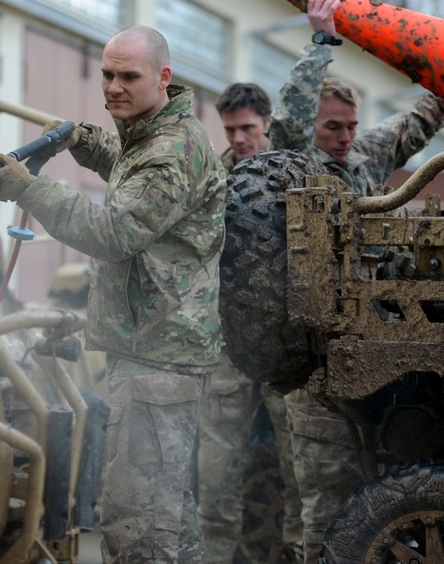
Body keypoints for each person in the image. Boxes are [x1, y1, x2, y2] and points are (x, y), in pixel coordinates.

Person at [0, 25, 227, 563]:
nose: (114, 87)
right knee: (169, 516)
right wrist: (85, 143)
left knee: (137, 522)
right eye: (108, 75)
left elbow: (114, 233)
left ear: (164, 78)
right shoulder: (154, 134)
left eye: (129, 77)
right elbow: (131, 174)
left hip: (159, 357)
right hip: (155, 348)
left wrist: (29, 189)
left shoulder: (170, 150)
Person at [269, 0, 444, 563]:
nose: (345, 137)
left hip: (369, 353)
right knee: (323, 502)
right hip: (316, 365)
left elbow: (420, 121)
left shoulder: (361, 161)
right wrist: (322, 41)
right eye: (333, 127)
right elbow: (287, 119)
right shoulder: (295, 161)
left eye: (350, 126)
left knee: (367, 492)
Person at [196, 83, 303, 564]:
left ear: (267, 125)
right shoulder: (212, 180)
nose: (239, 139)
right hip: (226, 346)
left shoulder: (293, 176)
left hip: (284, 350)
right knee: (215, 472)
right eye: (230, 129)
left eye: (248, 129)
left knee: (300, 473)